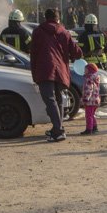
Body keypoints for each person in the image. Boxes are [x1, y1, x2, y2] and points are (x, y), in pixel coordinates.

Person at [30, 9, 81, 142]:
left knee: (50, 100)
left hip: (44, 70)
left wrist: (34, 74)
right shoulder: (64, 32)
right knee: (57, 100)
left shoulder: (38, 31)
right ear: (58, 18)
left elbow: (33, 54)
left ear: (45, 18)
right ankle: (57, 128)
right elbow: (78, 53)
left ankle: (58, 131)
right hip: (61, 72)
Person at [81, 62, 102, 135]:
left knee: (88, 115)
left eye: (85, 70)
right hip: (96, 99)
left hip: (90, 100)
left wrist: (86, 98)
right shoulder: (96, 77)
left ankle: (89, 129)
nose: (84, 71)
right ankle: (94, 127)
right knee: (92, 114)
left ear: (90, 70)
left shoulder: (89, 78)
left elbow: (89, 89)